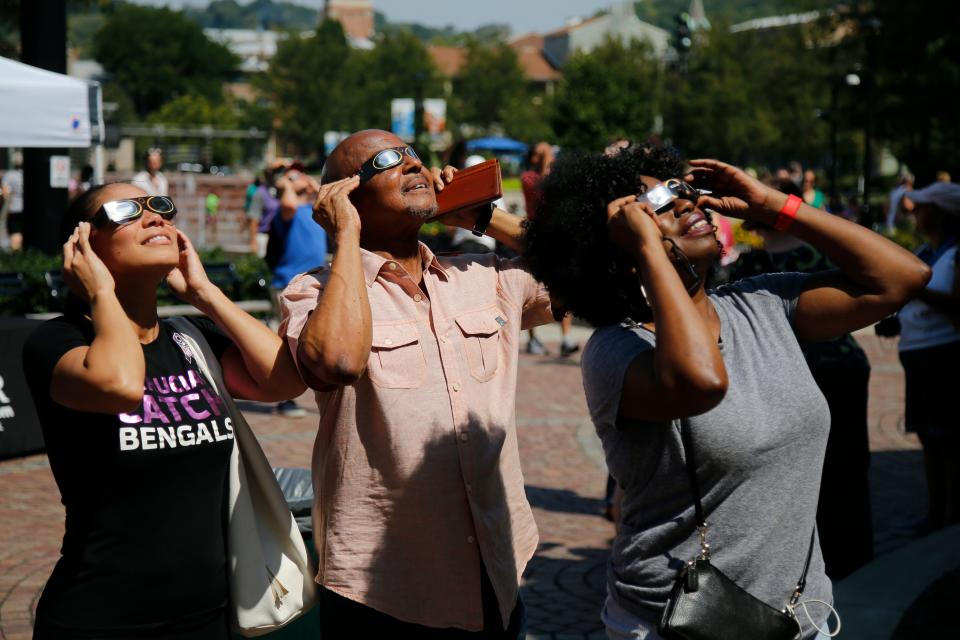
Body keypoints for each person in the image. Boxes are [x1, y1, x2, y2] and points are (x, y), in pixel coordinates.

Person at [522, 145, 929, 640]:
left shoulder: (761, 304)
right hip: (677, 622)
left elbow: (902, 278)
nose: (684, 204)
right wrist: (649, 251)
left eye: (680, 191)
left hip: (801, 617)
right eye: (653, 207)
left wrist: (774, 206)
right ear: (619, 255)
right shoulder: (616, 350)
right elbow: (702, 380)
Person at [278, 129, 555, 637]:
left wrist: (484, 217)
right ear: (345, 195)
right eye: (387, 160)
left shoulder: (484, 275)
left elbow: (601, 277)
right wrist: (346, 238)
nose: (411, 164)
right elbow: (336, 360)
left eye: (412, 155)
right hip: (382, 587)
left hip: (494, 568)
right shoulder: (313, 291)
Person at [22, 182, 306, 639]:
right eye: (124, 211)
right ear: (82, 244)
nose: (154, 217)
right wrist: (100, 293)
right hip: (98, 620)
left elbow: (285, 381)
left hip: (209, 617)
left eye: (160, 207)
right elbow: (120, 384)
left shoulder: (189, 339)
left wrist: (205, 294)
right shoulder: (56, 342)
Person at [730, 177, 875, 580]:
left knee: (802, 472)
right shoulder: (818, 254)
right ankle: (855, 557)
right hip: (845, 365)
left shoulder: (749, 267)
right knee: (849, 466)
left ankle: (812, 559)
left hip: (796, 376)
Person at [898, 181, 960, 531]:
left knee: (948, 436)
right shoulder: (924, 252)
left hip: (944, 353)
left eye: (922, 207)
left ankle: (951, 516)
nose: (915, 213)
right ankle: (936, 513)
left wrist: (916, 288)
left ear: (941, 213)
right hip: (917, 353)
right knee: (927, 435)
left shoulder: (956, 252)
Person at [521, 141, 579, 357]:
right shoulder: (527, 177)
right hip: (535, 238)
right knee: (531, 289)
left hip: (556, 236)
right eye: (539, 154)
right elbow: (543, 187)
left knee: (563, 287)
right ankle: (533, 338)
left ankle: (566, 338)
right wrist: (547, 155)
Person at [1, 154, 24, 251]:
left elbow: (5, 192)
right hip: (30, 208)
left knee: (15, 232)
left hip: (15, 208)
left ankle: (17, 258)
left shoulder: (10, 175)